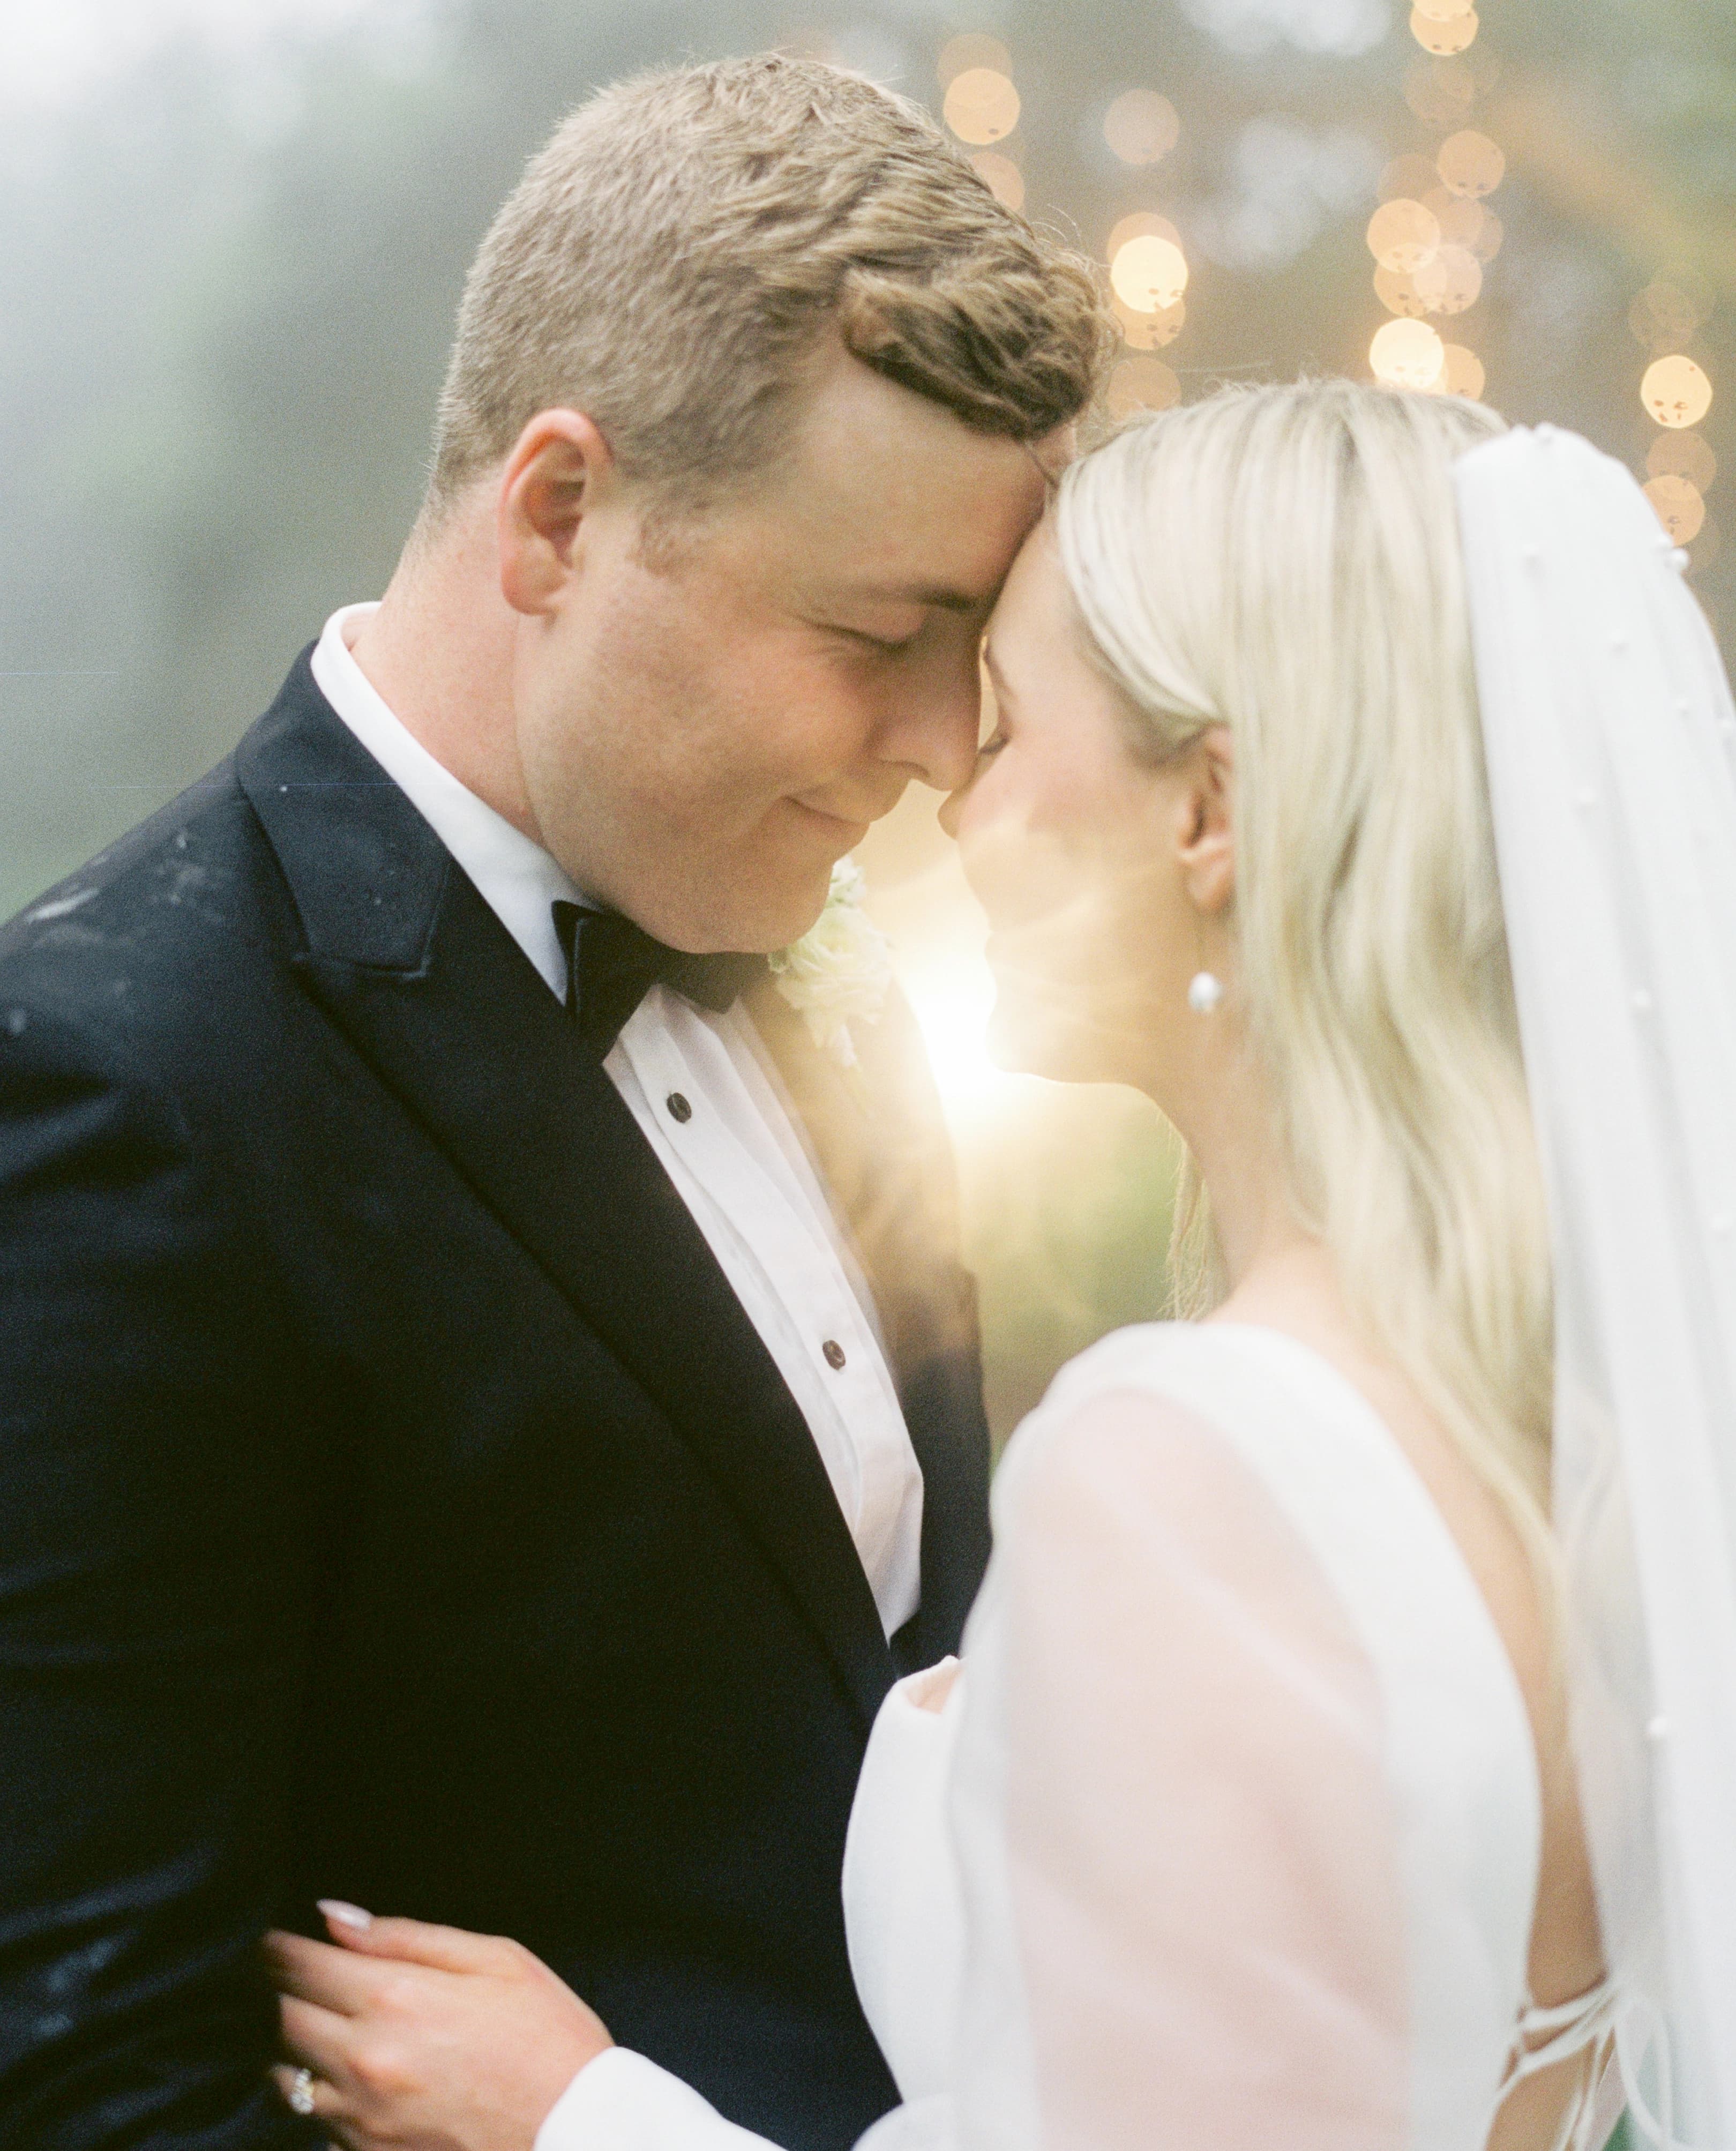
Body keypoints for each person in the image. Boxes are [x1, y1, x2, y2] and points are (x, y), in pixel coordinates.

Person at [262, 381, 1736, 2150]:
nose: (947, 790)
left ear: (1212, 811)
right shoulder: (1573, 1408)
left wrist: (577, 2119)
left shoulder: (1208, 1466)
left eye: (1013, 724)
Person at [0, 56, 1109, 2151]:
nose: (951, 742)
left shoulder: (828, 967)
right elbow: (92, 2068)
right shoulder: (111, 1075)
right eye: (882, 632)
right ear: (558, 514)